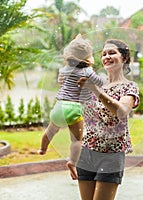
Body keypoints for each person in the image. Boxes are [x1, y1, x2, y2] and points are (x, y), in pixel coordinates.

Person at [75, 39, 140, 200]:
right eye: (104, 54)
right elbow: (84, 119)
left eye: (112, 52)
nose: (107, 57)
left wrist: (94, 90)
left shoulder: (129, 87)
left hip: (111, 156)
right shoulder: (96, 83)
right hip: (86, 153)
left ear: (124, 57)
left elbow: (122, 111)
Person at [38, 34, 105, 180]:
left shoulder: (65, 69)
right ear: (88, 58)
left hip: (59, 106)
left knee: (50, 130)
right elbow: (99, 82)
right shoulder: (87, 71)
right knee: (76, 140)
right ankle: (72, 162)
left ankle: (42, 148)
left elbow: (61, 81)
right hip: (74, 107)